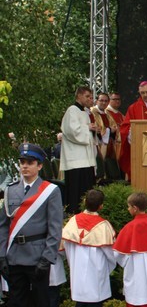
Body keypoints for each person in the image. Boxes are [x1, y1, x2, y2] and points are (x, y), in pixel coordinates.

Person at [0, 143, 63, 307]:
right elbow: (3, 225)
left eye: (29, 163)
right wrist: (1, 255)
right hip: (15, 254)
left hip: (38, 256)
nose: (24, 167)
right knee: (16, 305)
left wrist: (47, 258)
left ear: (39, 165)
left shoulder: (50, 191)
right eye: (22, 162)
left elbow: (55, 228)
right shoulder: (11, 190)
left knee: (40, 305)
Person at [62, 189, 116, 307]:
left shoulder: (73, 221)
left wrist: (73, 262)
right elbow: (110, 253)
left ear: (85, 202)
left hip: (77, 267)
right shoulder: (103, 225)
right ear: (101, 206)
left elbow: (66, 245)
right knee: (94, 303)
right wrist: (109, 267)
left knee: (80, 303)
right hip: (95, 269)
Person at [60, 86, 97, 214]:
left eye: (91, 97)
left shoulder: (85, 112)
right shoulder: (72, 110)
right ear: (79, 96)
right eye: (87, 96)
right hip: (76, 160)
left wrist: (91, 129)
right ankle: (73, 215)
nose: (90, 99)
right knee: (76, 192)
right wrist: (88, 128)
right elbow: (72, 131)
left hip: (85, 160)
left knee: (86, 191)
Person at [90, 92, 119, 163]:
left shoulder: (107, 113)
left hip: (109, 144)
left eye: (106, 101)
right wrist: (109, 130)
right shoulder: (92, 112)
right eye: (101, 100)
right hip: (97, 143)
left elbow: (114, 126)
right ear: (97, 101)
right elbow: (96, 128)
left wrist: (113, 130)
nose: (104, 103)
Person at [106, 92, 125, 162]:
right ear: (109, 100)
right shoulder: (106, 113)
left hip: (121, 145)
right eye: (115, 99)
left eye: (119, 99)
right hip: (111, 145)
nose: (117, 101)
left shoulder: (120, 114)